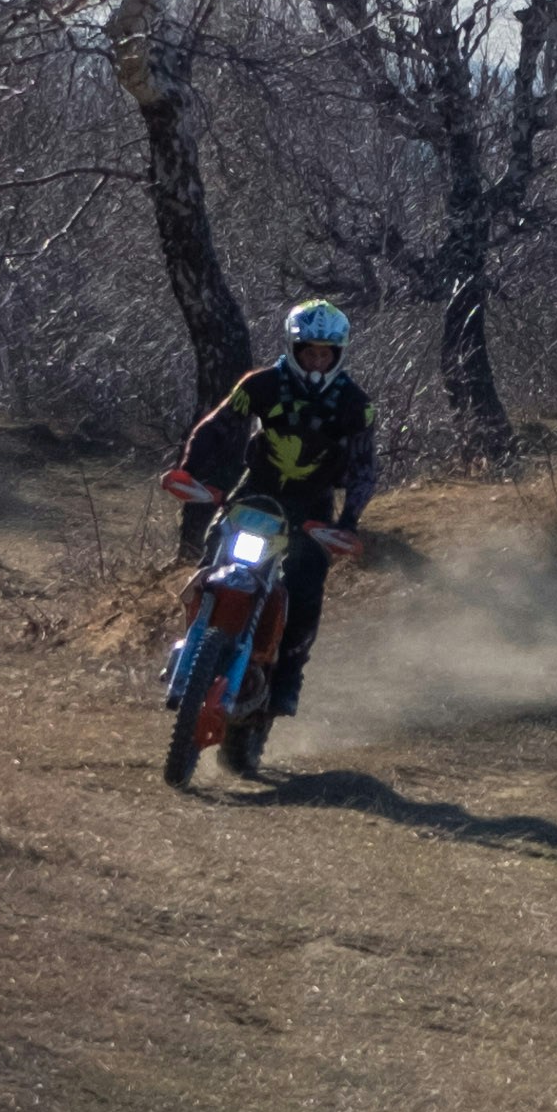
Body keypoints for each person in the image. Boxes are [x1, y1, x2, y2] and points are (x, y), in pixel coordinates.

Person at [166, 297, 376, 773]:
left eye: (326, 352)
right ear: (292, 347)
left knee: (305, 589)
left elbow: (364, 469)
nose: (316, 360)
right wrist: (191, 471)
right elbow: (218, 426)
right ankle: (196, 649)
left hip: (312, 506)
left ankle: (285, 683)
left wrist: (348, 522)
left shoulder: (355, 405)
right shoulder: (259, 385)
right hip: (255, 491)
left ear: (339, 353)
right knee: (210, 560)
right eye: (308, 351)